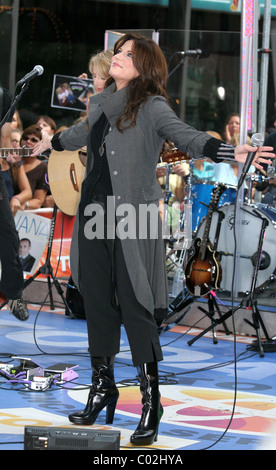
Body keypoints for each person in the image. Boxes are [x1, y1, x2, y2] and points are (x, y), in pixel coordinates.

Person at [31, 33, 274, 446]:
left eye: (127, 54)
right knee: (97, 304)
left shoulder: (151, 106)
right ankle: (102, 387)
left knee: (136, 304)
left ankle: (150, 401)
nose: (119, 58)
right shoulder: (101, 103)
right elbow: (76, 135)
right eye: (119, 52)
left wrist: (228, 151)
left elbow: (188, 136)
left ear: (143, 66)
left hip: (133, 218)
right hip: (93, 216)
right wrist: (47, 144)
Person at [20, 125, 50, 210]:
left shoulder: (43, 168)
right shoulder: (13, 162)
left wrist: (24, 204)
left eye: (34, 140)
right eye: (25, 138)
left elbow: (38, 201)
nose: (28, 141)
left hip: (27, 215)